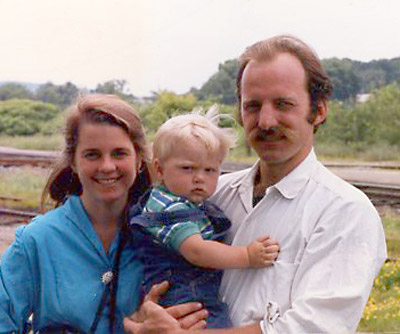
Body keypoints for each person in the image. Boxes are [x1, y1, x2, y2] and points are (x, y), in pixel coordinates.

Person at [124, 34, 387, 333]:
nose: (265, 121)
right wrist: (144, 320)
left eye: (283, 104)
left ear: (319, 110)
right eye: (252, 105)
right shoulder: (214, 193)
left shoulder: (345, 212)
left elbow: (311, 328)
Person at [0, 94, 207, 333]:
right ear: (74, 162)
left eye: (119, 153)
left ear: (139, 159)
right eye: (92, 154)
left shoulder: (170, 238)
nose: (107, 166)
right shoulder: (35, 241)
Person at [129, 111, 279, 328]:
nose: (199, 177)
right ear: (159, 169)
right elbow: (196, 251)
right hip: (182, 295)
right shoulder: (169, 207)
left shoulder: (188, 201)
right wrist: (247, 255)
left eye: (210, 170)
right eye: (187, 168)